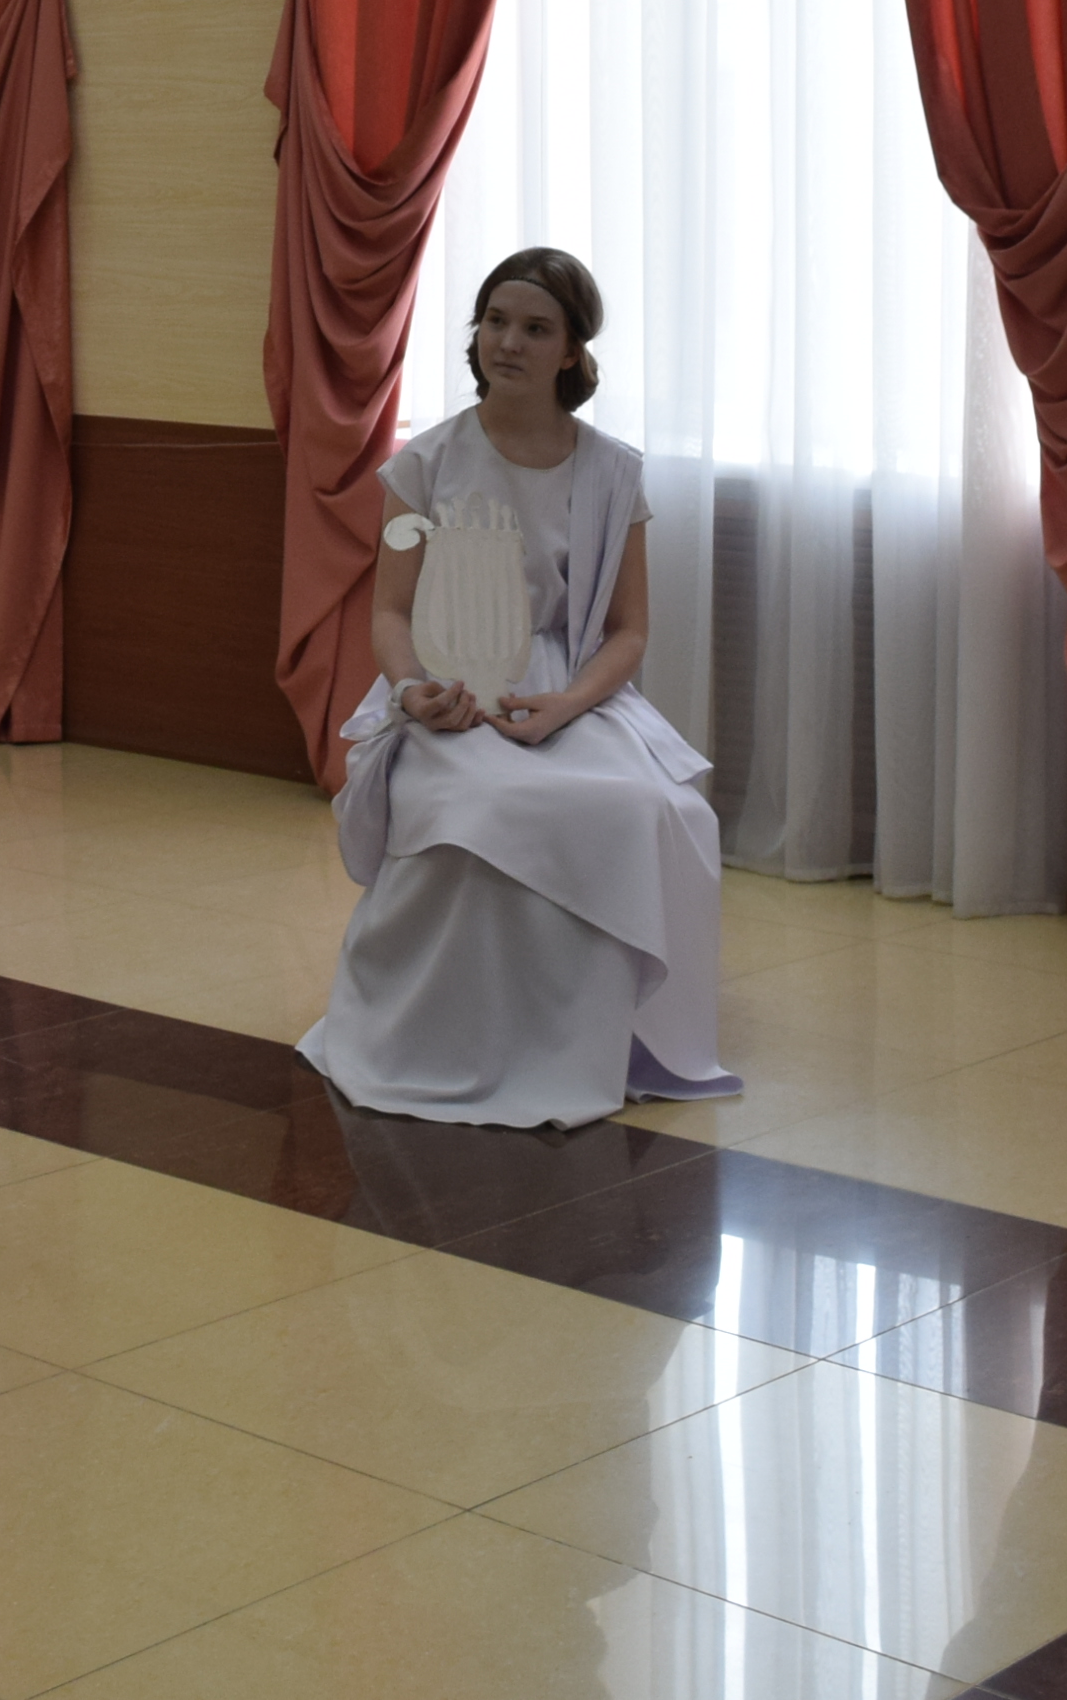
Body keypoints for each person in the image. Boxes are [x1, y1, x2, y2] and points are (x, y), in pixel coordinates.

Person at [301, 248, 740, 1128]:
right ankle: (460, 1036)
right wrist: (414, 691)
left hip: (570, 693)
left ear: (572, 350)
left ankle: (597, 1035)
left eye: (536, 329)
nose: (508, 342)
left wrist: (568, 706)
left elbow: (629, 631)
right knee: (484, 805)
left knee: (655, 808)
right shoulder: (425, 465)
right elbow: (391, 612)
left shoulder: (613, 473)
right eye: (495, 322)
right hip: (450, 690)